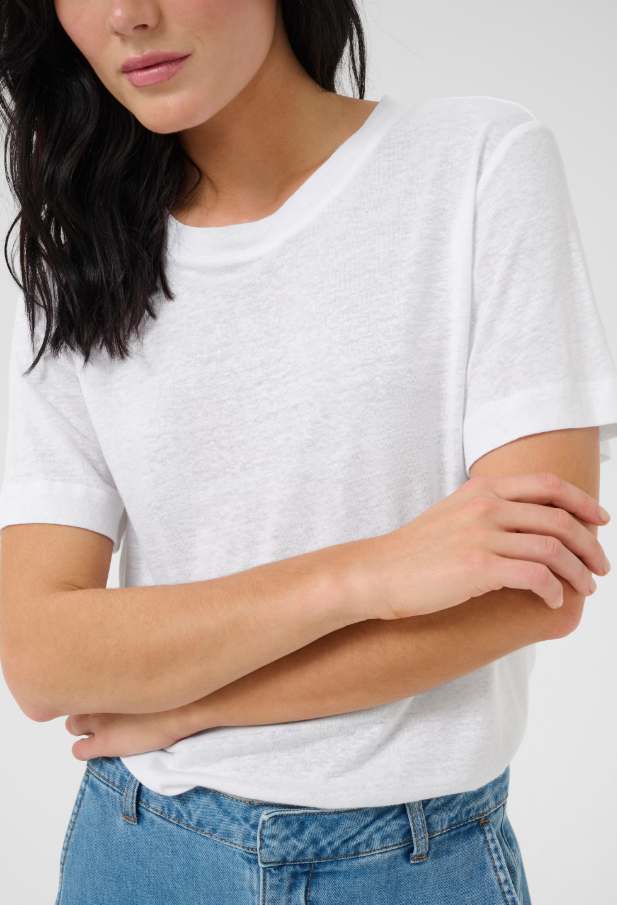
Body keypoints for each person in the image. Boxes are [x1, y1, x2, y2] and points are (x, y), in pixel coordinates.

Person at [0, 1, 616, 903]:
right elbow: (41, 655)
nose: (127, 14)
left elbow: (534, 590)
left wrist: (194, 704)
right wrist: (366, 573)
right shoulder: (76, 259)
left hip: (415, 864)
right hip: (140, 852)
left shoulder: (476, 162)